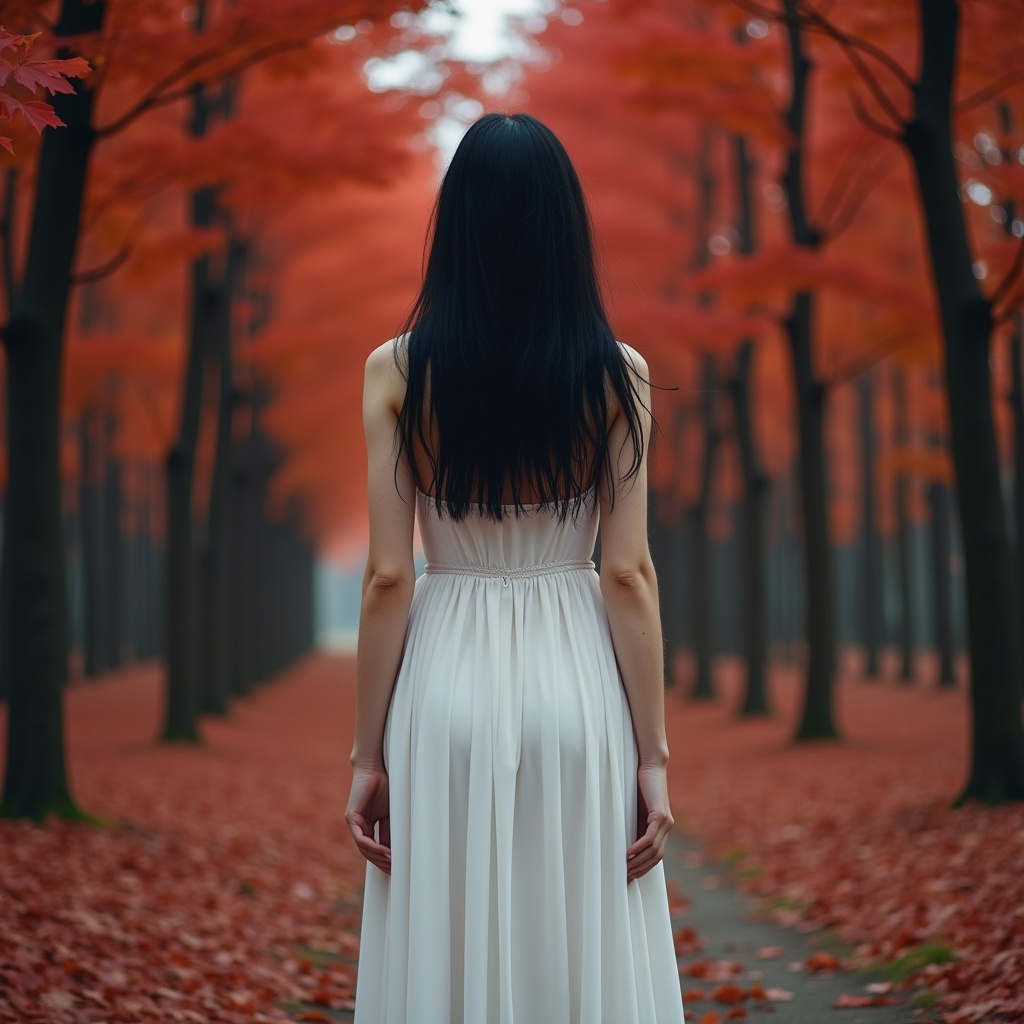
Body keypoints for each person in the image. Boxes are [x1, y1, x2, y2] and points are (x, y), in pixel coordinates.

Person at [345, 111, 684, 1024]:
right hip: (576, 685)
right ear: (565, 229)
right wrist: (652, 755)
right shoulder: (620, 375)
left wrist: (366, 754)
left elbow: (387, 578)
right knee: (577, 934)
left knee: (444, 940)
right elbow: (628, 575)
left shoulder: (395, 370)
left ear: (452, 229)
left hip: (442, 686)